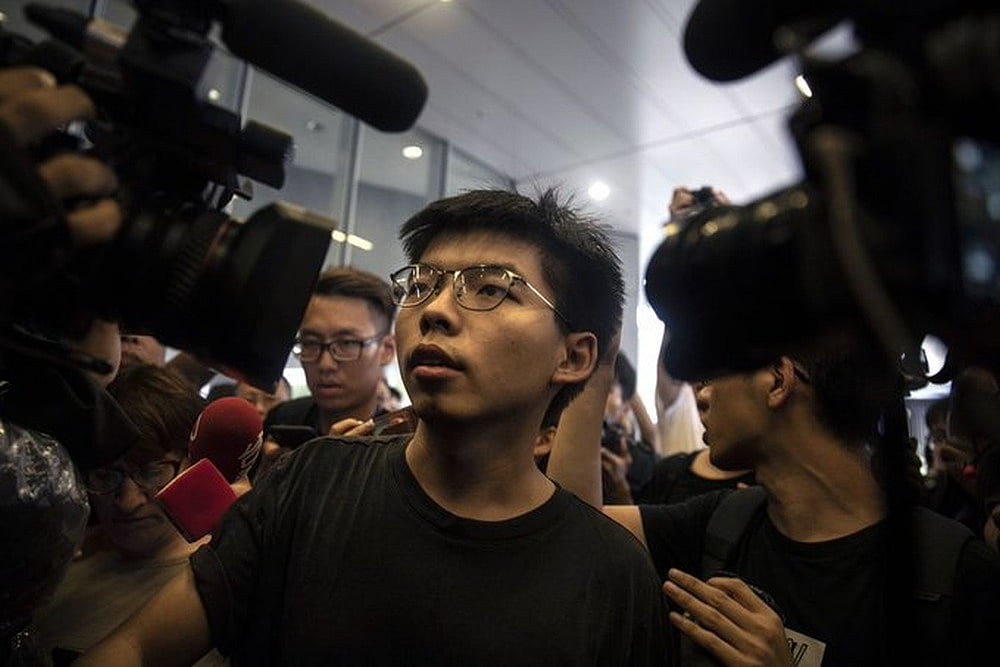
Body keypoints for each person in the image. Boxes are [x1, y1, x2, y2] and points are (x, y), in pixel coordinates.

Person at [78, 188, 668, 666]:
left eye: (491, 289)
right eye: (421, 285)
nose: (435, 311)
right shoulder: (313, 482)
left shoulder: (613, 574)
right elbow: (140, 646)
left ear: (574, 356)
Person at [548, 339, 1000, 665]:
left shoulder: (956, 574)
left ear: (778, 381)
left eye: (713, 376)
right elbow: (577, 529)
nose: (703, 395)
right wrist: (600, 354)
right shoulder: (723, 524)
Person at [31, 365, 224, 666]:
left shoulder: (219, 583)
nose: (127, 502)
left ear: (193, 463)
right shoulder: (53, 566)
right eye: (106, 475)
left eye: (151, 472)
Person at [263, 267, 397, 438]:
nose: (325, 365)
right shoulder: (281, 420)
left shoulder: (402, 440)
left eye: (347, 343)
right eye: (310, 343)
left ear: (386, 350)